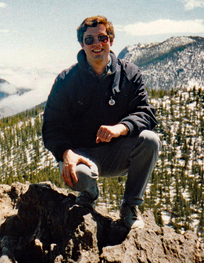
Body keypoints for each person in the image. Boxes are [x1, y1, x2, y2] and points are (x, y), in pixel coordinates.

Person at [42, 15, 161, 229]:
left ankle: (130, 206)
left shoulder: (130, 74)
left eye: (102, 38)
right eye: (89, 40)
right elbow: (51, 126)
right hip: (81, 156)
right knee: (79, 175)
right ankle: (89, 195)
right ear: (82, 44)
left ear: (111, 41)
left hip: (117, 152)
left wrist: (121, 128)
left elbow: (146, 113)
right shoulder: (66, 80)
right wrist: (65, 153)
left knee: (150, 140)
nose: (96, 44)